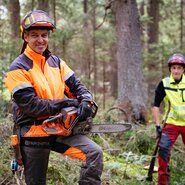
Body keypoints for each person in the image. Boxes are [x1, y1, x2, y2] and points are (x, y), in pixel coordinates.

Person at [5, 10, 103, 185]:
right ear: (25, 37)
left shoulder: (55, 62)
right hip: (33, 133)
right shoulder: (17, 68)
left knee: (94, 153)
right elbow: (33, 106)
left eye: (44, 35)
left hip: (59, 129)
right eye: (34, 35)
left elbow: (77, 86)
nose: (40, 40)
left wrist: (86, 101)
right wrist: (69, 103)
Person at [152, 53, 185, 185]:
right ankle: (163, 182)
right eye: (174, 68)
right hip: (170, 124)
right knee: (164, 152)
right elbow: (155, 106)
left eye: (179, 68)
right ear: (170, 69)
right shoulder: (164, 83)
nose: (176, 70)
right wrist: (158, 126)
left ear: (183, 69)